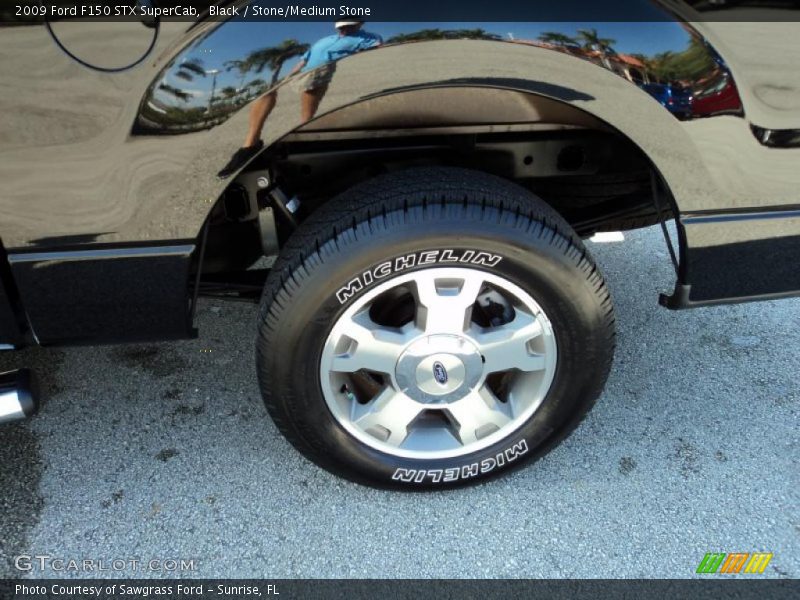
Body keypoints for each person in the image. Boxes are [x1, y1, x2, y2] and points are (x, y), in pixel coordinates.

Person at [218, 22, 382, 178]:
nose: (345, 30)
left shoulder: (364, 37)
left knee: (306, 114)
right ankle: (250, 145)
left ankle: (301, 144)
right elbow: (304, 58)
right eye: (343, 27)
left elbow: (377, 45)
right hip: (304, 71)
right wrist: (289, 75)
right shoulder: (325, 39)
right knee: (267, 93)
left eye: (349, 26)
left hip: (321, 71)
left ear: (359, 24)